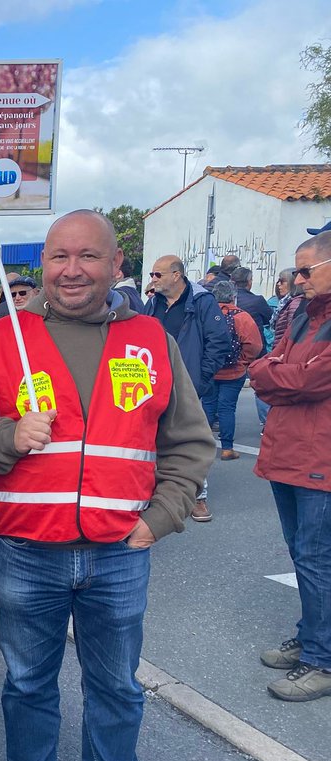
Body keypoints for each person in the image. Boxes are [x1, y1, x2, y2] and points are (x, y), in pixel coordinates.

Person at [0, 210, 214, 761]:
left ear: (115, 263)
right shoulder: (4, 337)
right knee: (28, 683)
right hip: (24, 552)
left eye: (88, 257)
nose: (73, 270)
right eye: (60, 256)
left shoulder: (150, 337)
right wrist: (6, 437)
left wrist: (162, 517)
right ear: (44, 263)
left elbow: (191, 441)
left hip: (120, 553)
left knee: (117, 688)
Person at [250, 230, 331, 702]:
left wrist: (275, 375)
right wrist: (277, 375)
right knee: (305, 556)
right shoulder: (301, 315)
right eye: (296, 271)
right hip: (290, 453)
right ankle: (314, 637)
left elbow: (310, 380)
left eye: (306, 271)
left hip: (320, 457)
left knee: (317, 559)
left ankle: (322, 659)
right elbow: (271, 368)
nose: (296, 280)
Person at [145, 255, 230, 522]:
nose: (153, 280)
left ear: (176, 275)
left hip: (189, 384)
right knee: (152, 439)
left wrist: (201, 380)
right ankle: (158, 495)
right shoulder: (153, 304)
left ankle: (198, 497)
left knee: (190, 440)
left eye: (158, 275)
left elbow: (218, 342)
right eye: (152, 275)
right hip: (154, 384)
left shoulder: (202, 302)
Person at [203, 280, 262, 460]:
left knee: (207, 406)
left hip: (210, 370)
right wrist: (242, 361)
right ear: (233, 297)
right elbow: (255, 345)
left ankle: (201, 447)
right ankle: (227, 448)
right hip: (234, 371)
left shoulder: (206, 315)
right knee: (227, 408)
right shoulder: (242, 317)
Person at [230, 266, 273, 343]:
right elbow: (270, 319)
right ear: (249, 282)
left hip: (231, 344)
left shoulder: (225, 299)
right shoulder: (257, 301)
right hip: (254, 345)